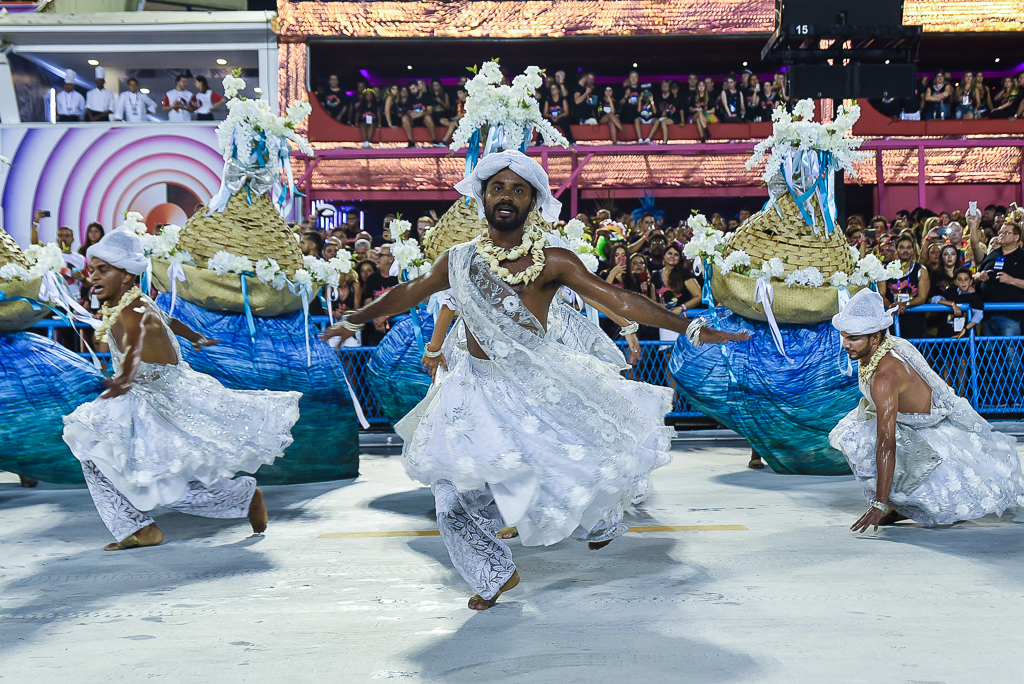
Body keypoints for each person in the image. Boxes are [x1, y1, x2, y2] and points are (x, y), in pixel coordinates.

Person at [321, 150, 748, 610]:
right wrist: (355, 318)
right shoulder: (458, 260)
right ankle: (492, 572)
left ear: (533, 203)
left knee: (563, 469)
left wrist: (691, 327)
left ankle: (599, 516)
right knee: (449, 495)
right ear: (482, 197)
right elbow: (410, 292)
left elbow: (618, 298)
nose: (506, 196)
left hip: (538, 387)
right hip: (474, 390)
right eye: (497, 187)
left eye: (518, 189)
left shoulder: (553, 262)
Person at [62, 229, 301, 551]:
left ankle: (242, 498)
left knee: (159, 477)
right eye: (93, 270)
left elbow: (134, 345)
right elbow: (170, 320)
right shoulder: (133, 303)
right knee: (94, 449)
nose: (93, 277)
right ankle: (138, 526)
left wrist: (124, 379)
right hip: (146, 395)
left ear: (126, 274)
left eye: (103, 269)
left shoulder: (135, 312)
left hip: (161, 399)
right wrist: (195, 337)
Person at [829, 289, 1024, 531]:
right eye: (844, 336)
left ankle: (893, 503)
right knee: (855, 425)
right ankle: (896, 502)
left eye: (854, 338)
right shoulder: (889, 345)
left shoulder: (885, 376)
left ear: (875, 338)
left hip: (929, 434)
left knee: (859, 435)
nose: (846, 344)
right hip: (916, 422)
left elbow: (886, 441)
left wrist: (879, 502)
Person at [974, 217, 1024, 336]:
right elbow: (975, 276)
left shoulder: (1022, 256)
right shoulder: (993, 254)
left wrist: (1012, 280)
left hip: (1011, 315)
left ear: (1016, 237)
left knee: (1010, 351)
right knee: (990, 353)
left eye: (1006, 233)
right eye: (1000, 232)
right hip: (988, 313)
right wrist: (980, 276)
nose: (1001, 235)